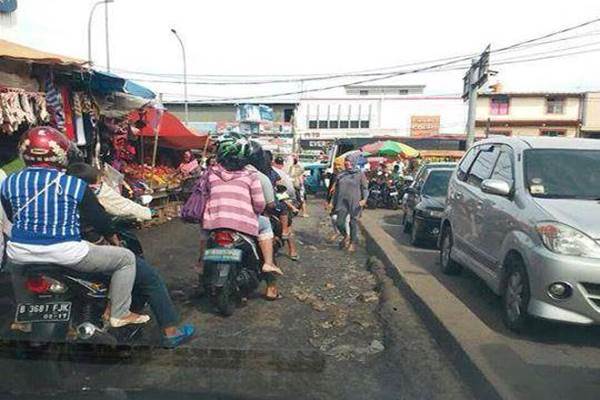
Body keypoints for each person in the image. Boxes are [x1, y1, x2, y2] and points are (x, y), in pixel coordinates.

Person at [2, 127, 148, 328]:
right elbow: (99, 219)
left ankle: (24, 317)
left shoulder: (9, 181)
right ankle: (120, 313)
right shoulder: (73, 184)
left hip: (20, 252)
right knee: (126, 259)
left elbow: (11, 215)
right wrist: (114, 239)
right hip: (66, 253)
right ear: (60, 154)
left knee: (17, 267)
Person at [66, 162, 195, 348]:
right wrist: (145, 213)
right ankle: (170, 332)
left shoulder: (52, 194)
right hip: (88, 251)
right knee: (151, 280)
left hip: (53, 255)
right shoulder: (88, 194)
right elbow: (110, 216)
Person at [197, 134, 282, 281]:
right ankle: (268, 263)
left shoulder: (210, 173)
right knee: (266, 226)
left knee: (204, 232)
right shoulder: (252, 175)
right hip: (243, 223)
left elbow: (203, 195)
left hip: (213, 222)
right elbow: (260, 204)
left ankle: (200, 262)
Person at [66, 163, 152, 222]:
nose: (101, 183)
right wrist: (148, 212)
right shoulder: (97, 194)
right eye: (99, 181)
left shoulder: (65, 191)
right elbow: (121, 207)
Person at [264, 151, 299, 261]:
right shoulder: (272, 172)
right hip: (274, 202)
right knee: (288, 225)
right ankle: (292, 250)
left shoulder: (255, 172)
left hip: (263, 203)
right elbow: (286, 189)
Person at [332, 152, 369, 252]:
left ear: (353, 162)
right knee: (339, 222)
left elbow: (365, 188)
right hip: (342, 202)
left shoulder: (360, 174)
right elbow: (336, 190)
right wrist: (332, 202)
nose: (346, 163)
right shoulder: (341, 174)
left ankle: (352, 243)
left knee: (353, 223)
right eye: (346, 161)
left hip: (355, 202)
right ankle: (345, 236)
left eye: (348, 161)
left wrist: (364, 199)